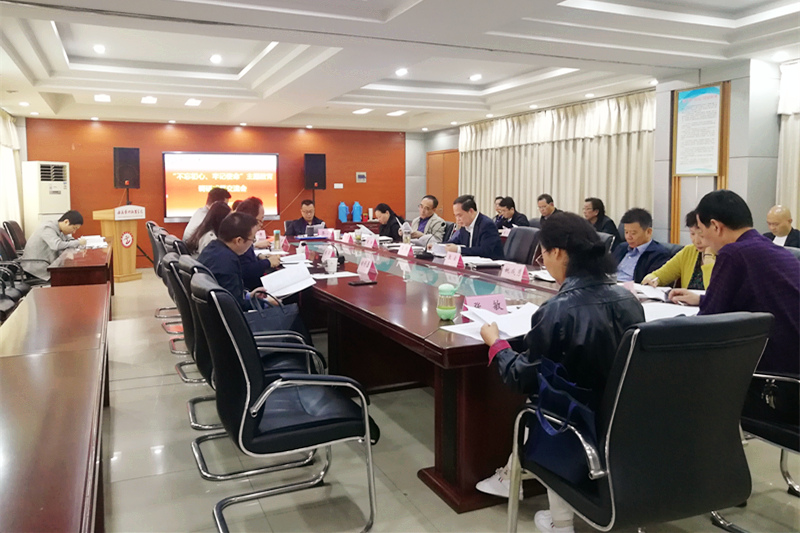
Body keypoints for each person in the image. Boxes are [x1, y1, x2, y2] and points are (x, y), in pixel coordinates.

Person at [476, 212, 644, 533]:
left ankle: (560, 521)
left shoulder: (558, 309)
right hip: (626, 423)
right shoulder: (629, 300)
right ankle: (517, 483)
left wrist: (496, 345)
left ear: (557, 253)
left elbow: (521, 377)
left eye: (542, 254)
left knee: (545, 402)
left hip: (576, 429)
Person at [670, 191, 799, 426]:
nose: (704, 242)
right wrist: (702, 299)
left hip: (775, 383)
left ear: (716, 226)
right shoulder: (771, 249)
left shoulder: (733, 253)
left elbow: (708, 323)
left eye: (702, 232)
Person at [198, 212, 268, 311]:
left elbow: (230, 294)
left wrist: (249, 296)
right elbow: (236, 306)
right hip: (226, 316)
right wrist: (266, 303)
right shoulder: (228, 262)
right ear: (238, 241)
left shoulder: (212, 247)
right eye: (252, 239)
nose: (252, 243)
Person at [642, 210, 716, 290]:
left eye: (701, 235)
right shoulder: (689, 251)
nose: (696, 241)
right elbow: (659, 275)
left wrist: (708, 257)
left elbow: (713, 291)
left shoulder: (723, 255)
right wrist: (651, 278)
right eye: (692, 234)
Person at [21, 210, 86, 280]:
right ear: (66, 222)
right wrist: (78, 242)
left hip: (47, 263)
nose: (74, 232)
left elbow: (67, 239)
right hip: (37, 268)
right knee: (72, 276)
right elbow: (57, 245)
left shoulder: (59, 229)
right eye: (74, 228)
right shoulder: (47, 228)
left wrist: (75, 241)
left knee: (74, 272)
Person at [612, 208, 670, 283]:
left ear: (648, 232)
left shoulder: (659, 254)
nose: (628, 237)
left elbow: (650, 283)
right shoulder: (621, 248)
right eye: (626, 232)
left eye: (633, 233)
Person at [235, 197, 280, 290]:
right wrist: (268, 262)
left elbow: (246, 260)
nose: (261, 224)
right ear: (251, 219)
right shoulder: (240, 238)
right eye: (261, 219)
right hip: (252, 290)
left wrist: (259, 257)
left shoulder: (243, 233)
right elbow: (244, 269)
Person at [445, 195, 504, 260]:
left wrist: (459, 249)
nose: (457, 219)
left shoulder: (487, 225)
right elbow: (455, 242)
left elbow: (485, 251)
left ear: (471, 211)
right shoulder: (464, 226)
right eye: (455, 216)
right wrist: (439, 246)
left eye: (460, 215)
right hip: (470, 263)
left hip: (491, 264)